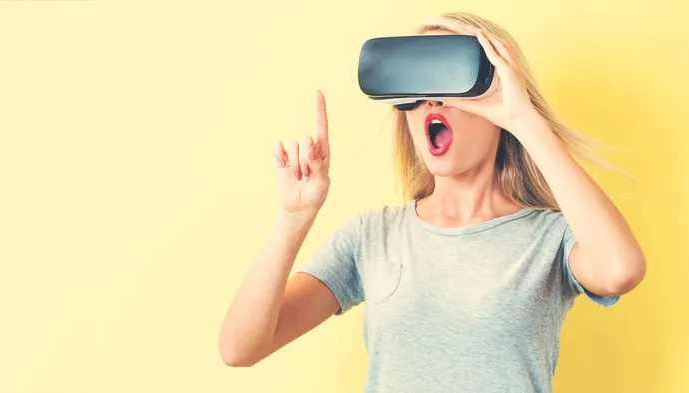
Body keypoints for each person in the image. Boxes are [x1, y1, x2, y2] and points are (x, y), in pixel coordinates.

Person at [218, 11, 647, 393]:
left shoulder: (548, 238)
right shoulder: (372, 237)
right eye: (417, 90)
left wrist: (524, 121)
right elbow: (240, 347)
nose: (432, 102)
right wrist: (293, 221)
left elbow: (621, 270)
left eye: (450, 82)